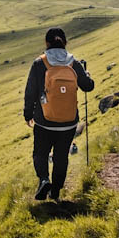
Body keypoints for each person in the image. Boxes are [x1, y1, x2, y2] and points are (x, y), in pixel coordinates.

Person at [23, 27, 94, 201]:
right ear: (65, 43)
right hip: (68, 122)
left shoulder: (40, 63)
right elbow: (88, 86)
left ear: (47, 43)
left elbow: (30, 91)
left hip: (44, 120)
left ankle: (44, 180)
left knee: (40, 153)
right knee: (61, 157)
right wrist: (87, 75)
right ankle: (55, 193)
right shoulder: (73, 63)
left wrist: (28, 114)